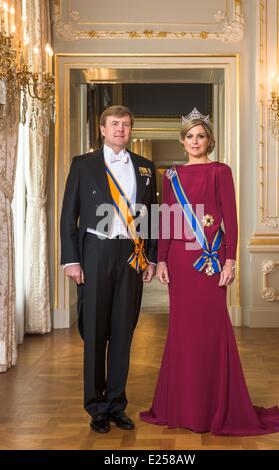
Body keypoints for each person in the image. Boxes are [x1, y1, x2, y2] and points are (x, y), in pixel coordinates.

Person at [140, 108, 279, 436]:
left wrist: (230, 260)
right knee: (181, 331)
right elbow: (166, 220)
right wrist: (161, 259)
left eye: (200, 136)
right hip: (179, 260)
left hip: (208, 260)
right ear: (182, 142)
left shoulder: (221, 170)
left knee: (212, 330)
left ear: (210, 140)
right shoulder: (172, 176)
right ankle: (180, 405)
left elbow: (230, 219)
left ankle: (216, 405)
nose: (195, 141)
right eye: (190, 136)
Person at [60, 105, 157, 433]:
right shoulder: (83, 165)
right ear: (102, 129)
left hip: (131, 255)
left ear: (131, 130)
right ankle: (96, 407)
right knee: (96, 331)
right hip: (96, 254)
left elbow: (152, 217)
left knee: (122, 332)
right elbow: (67, 216)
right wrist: (72, 260)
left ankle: (117, 404)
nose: (120, 129)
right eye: (114, 124)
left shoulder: (145, 167)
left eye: (126, 125)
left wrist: (151, 258)